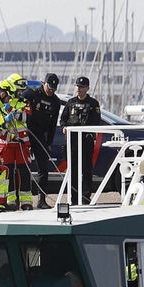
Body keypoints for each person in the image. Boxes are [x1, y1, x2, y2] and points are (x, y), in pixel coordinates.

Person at [60, 76, 102, 204]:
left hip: (86, 140)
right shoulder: (70, 102)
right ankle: (73, 197)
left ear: (87, 88)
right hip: (72, 141)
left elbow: (96, 121)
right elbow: (63, 119)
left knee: (86, 169)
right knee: (72, 170)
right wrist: (64, 128)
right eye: (77, 86)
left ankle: (85, 197)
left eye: (82, 87)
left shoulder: (93, 104)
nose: (79, 89)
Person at [24, 73, 64, 209]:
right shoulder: (32, 94)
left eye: (53, 89)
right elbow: (17, 104)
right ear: (43, 83)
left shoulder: (55, 102)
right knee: (21, 168)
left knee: (43, 169)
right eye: (49, 87)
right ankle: (21, 200)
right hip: (25, 133)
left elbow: (52, 125)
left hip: (40, 136)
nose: (50, 91)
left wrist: (49, 143)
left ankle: (41, 200)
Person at [0, 73, 34, 210]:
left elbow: (27, 116)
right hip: (6, 143)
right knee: (8, 173)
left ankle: (26, 201)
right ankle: (10, 201)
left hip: (21, 143)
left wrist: (14, 112)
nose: (21, 92)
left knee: (24, 172)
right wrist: (6, 117)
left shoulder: (24, 102)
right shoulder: (1, 101)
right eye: (19, 90)